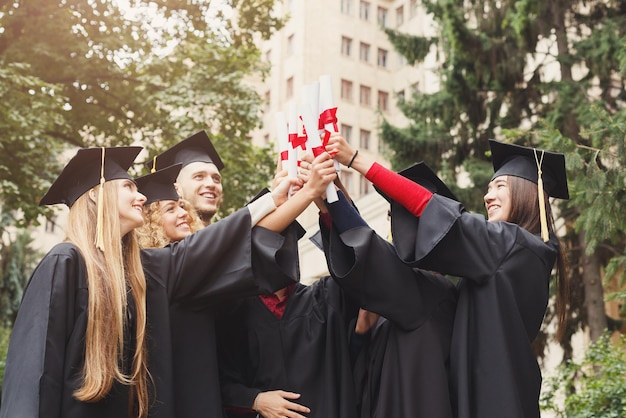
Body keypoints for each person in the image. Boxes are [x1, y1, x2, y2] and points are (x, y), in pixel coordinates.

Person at [0, 145, 332, 418]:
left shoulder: (147, 270)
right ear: (97, 197)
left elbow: (217, 244)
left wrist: (287, 196)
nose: (141, 196)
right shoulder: (66, 262)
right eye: (129, 187)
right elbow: (35, 375)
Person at [326, 133, 570, 418]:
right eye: (488, 188)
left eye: (500, 186)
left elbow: (431, 209)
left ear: (530, 191)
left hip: (495, 399)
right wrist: (331, 196)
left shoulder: (512, 245)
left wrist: (356, 160)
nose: (487, 196)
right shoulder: (522, 255)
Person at [311, 162, 458, 418]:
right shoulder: (406, 292)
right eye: (391, 216)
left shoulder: (435, 292)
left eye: (400, 215)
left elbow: (372, 255)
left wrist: (332, 201)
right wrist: (361, 333)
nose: (394, 227)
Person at [216, 182, 361, 418]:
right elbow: (215, 379)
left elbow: (355, 264)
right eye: (268, 238)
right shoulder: (232, 312)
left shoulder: (326, 298)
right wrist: (255, 400)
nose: (277, 248)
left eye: (285, 237)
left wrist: (327, 201)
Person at [149, 130, 224, 226]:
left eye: (216, 178)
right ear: (175, 187)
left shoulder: (234, 239)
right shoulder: (161, 240)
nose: (211, 184)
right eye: (199, 176)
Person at [134, 163, 204, 248]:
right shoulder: (149, 260)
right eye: (170, 209)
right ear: (149, 221)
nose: (184, 213)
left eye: (182, 206)